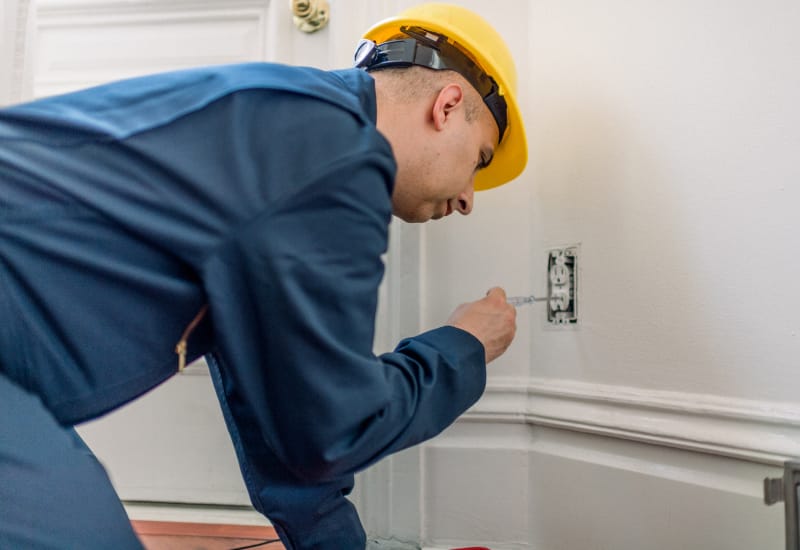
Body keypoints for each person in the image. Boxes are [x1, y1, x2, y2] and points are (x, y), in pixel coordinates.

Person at [0, 3, 527, 549]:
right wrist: (463, 346)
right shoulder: (333, 154)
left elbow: (289, 428)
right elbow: (337, 425)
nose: (467, 198)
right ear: (447, 106)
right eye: (479, 160)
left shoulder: (289, 136)